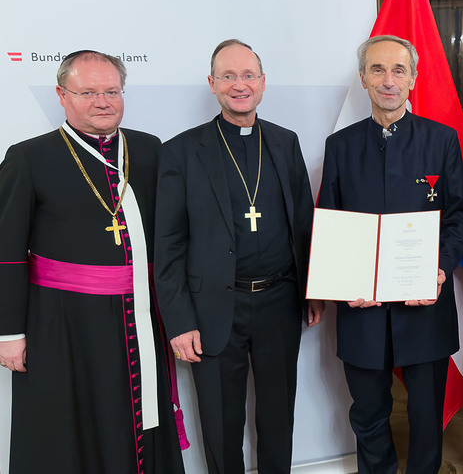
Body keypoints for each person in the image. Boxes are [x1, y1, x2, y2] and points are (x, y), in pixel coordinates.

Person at [0, 50, 184, 473]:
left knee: (139, 414)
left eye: (111, 91)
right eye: (88, 92)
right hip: (63, 323)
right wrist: (8, 332)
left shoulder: (148, 149)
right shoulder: (29, 157)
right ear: (62, 96)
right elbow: (6, 250)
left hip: (139, 315)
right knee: (68, 425)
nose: (102, 101)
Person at [154, 39, 323, 474]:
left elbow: (304, 224)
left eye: (248, 75)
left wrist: (315, 290)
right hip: (211, 309)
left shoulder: (285, 143)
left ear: (263, 83)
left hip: (279, 301)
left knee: (277, 416)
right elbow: (168, 245)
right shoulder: (181, 150)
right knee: (221, 423)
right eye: (228, 76)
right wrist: (179, 321)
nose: (239, 85)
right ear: (212, 84)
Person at [316, 34, 463, 474]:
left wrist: (440, 270)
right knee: (367, 414)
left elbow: (459, 217)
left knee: (426, 417)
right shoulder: (341, 146)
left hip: (425, 305)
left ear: (414, 79)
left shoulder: (441, 141)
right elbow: (331, 223)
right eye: (378, 70)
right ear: (363, 78)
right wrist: (344, 282)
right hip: (362, 309)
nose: (388, 80)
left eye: (398, 70)